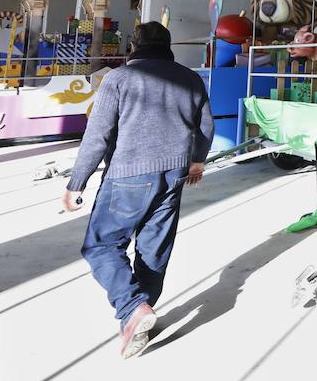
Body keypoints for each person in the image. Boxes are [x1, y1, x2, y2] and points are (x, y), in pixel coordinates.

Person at [62, 21, 214, 359]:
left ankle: (133, 308)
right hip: (174, 174)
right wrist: (196, 162)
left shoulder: (118, 79)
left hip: (129, 173)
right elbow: (205, 126)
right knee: (153, 249)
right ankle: (136, 317)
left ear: (134, 45)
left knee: (100, 245)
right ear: (168, 45)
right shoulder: (190, 78)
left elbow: (98, 134)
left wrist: (77, 181)